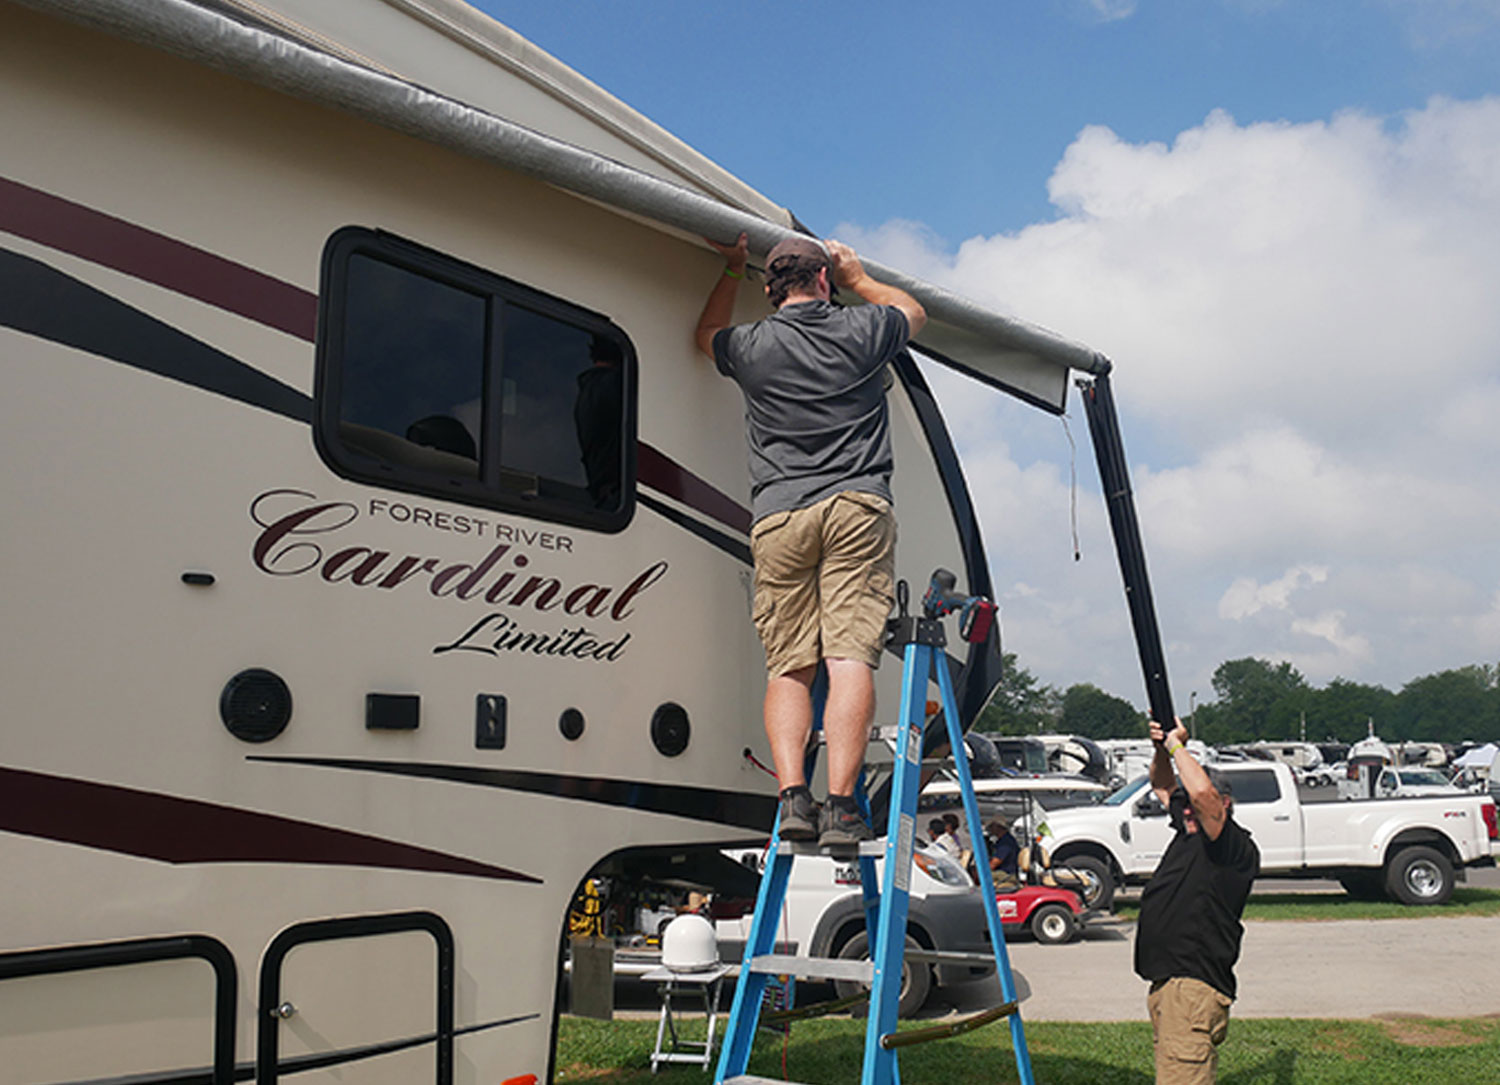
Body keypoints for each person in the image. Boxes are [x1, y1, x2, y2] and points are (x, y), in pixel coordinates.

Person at [695, 232, 926, 848]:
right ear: (822, 280)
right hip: (855, 504)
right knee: (848, 656)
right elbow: (913, 312)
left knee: (789, 665)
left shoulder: (749, 345)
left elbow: (703, 336)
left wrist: (727, 271)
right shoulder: (862, 328)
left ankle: (793, 797)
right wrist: (859, 279)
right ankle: (842, 807)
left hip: (779, 514)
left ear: (771, 289)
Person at [1134, 718, 1259, 1084]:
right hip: (1170, 986)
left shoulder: (1232, 847)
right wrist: (1160, 747)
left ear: (1226, 804)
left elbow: (1203, 797)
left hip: (1192, 987)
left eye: (1194, 805)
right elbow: (1161, 784)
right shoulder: (1188, 833)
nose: (1186, 809)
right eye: (1183, 805)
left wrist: (1178, 745)